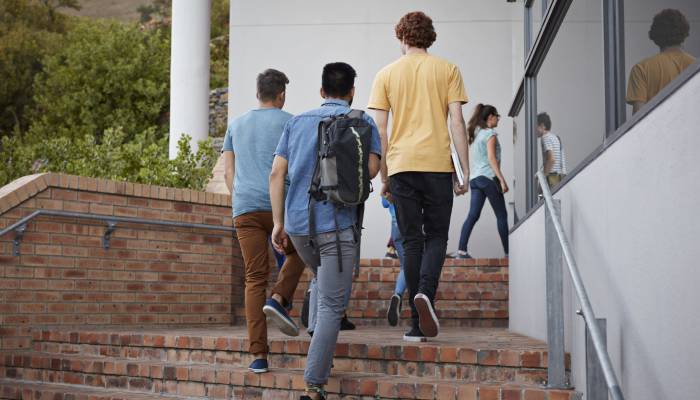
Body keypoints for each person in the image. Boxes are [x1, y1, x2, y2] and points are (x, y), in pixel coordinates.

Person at [270, 62, 381, 400]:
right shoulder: (363, 121)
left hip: (300, 227)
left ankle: (320, 340)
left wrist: (278, 222)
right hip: (337, 225)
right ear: (351, 92)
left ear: (321, 92)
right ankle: (313, 385)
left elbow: (277, 174)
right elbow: (373, 169)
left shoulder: (296, 122)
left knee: (322, 280)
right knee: (334, 304)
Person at [368, 11, 470, 342]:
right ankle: (426, 293)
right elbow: (457, 122)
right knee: (437, 236)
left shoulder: (385, 74)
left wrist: (384, 174)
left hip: (401, 167)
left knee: (410, 241)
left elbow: (380, 131)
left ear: (401, 37)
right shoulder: (448, 70)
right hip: (438, 165)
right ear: (429, 37)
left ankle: (415, 323)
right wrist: (464, 170)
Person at [222, 69, 306, 374]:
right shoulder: (292, 122)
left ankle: (258, 355)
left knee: (253, 277)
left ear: (258, 93)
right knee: (300, 253)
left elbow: (229, 173)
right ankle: (279, 296)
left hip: (244, 208)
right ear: (281, 94)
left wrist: (242, 197)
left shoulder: (236, 124)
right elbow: (295, 169)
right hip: (279, 206)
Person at [449, 104, 509, 259]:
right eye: (497, 116)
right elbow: (491, 158)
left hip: (476, 180)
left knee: (472, 215)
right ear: (490, 117)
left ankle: (461, 250)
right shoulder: (490, 134)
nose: (498, 119)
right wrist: (501, 180)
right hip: (488, 178)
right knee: (502, 215)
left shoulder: (477, 134)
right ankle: (509, 253)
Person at [627, 9, 696, 114]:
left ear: (655, 36)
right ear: (684, 34)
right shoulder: (695, 67)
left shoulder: (641, 69)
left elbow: (638, 117)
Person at [382, 196, 406, 326]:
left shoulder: (390, 180)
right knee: (418, 264)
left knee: (405, 266)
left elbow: (384, 203)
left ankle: (398, 294)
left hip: (395, 225)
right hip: (412, 222)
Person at [536, 112, 567, 187]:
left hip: (552, 176)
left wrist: (544, 178)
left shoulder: (545, 138)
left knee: (544, 195)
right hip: (560, 176)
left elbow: (551, 159)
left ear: (542, 126)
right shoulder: (555, 137)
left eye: (535, 126)